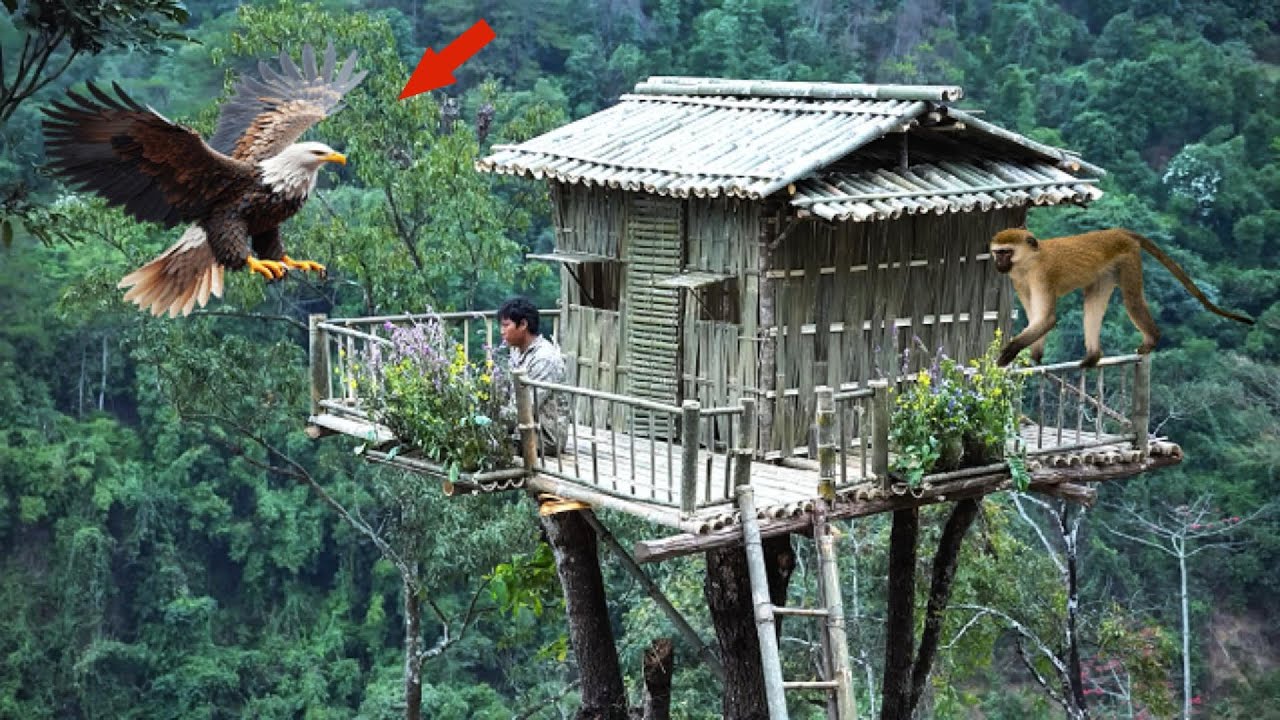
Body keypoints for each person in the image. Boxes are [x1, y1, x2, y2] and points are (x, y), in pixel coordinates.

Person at [499, 296, 571, 456]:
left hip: (545, 435)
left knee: (490, 447)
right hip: (521, 427)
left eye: (506, 325)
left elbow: (525, 407)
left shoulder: (544, 358)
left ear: (523, 324)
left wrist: (493, 420)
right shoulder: (517, 351)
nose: (501, 331)